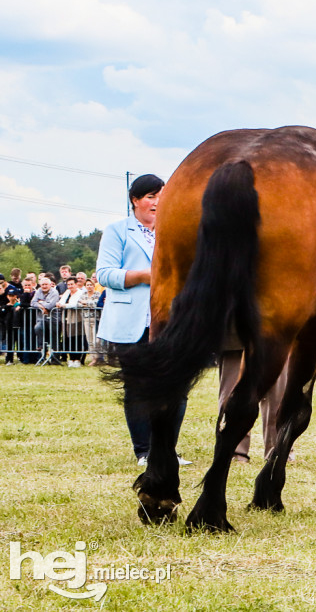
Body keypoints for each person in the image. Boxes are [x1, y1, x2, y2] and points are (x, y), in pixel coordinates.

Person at [96, 174, 190, 467]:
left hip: (170, 320)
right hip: (130, 320)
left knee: (176, 388)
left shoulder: (175, 231)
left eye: (162, 196)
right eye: (150, 196)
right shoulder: (117, 231)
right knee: (137, 387)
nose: (157, 202)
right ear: (135, 200)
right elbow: (105, 274)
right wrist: (146, 276)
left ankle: (166, 450)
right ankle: (144, 450)